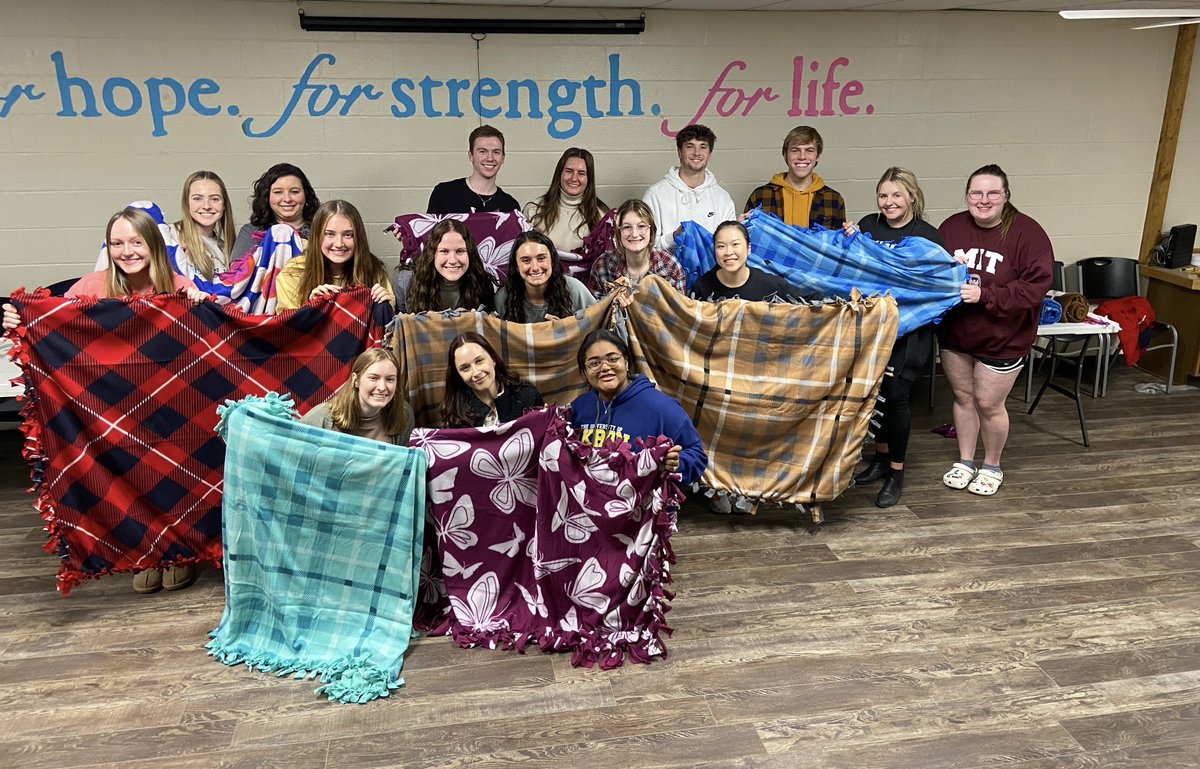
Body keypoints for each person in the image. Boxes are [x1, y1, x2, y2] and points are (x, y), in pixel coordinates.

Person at [3, 207, 208, 594]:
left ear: (154, 245)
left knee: (175, 480)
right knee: (131, 480)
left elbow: (205, 338)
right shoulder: (91, 287)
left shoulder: (179, 286)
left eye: (136, 242)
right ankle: (147, 554)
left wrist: (199, 305)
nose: (127, 251)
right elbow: (49, 319)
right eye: (117, 243)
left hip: (169, 409)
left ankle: (180, 554)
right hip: (113, 409)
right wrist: (19, 317)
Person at [937, 164, 1053, 496]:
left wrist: (985, 295)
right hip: (957, 335)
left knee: (988, 404)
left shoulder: (1028, 233)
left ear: (1006, 196)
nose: (983, 200)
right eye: (976, 192)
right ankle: (965, 461)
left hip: (1003, 337)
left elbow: (1034, 289)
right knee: (963, 398)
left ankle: (991, 465)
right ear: (967, 195)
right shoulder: (951, 227)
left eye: (992, 193)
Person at [844, 168, 947, 508]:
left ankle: (896, 473)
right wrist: (848, 240)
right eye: (883, 195)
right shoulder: (868, 226)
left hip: (909, 333)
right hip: (873, 330)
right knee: (876, 397)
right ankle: (879, 459)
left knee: (898, 399)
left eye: (896, 195)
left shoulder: (927, 236)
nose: (889, 202)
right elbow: (853, 268)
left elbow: (937, 283)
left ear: (912, 197)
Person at [570, 330, 707, 487]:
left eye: (612, 359)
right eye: (594, 363)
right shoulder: (578, 407)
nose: (605, 367)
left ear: (626, 362)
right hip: (587, 500)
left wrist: (677, 463)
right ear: (585, 372)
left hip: (641, 501)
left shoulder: (661, 408)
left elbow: (697, 456)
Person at [274, 200, 394, 311]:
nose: (339, 244)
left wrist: (386, 306)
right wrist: (312, 309)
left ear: (358, 237)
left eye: (348, 235)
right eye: (329, 234)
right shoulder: (294, 272)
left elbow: (388, 322)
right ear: (316, 236)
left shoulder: (371, 267)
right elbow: (288, 325)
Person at [642, 124, 736, 253]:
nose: (697, 153)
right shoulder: (655, 194)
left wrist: (739, 228)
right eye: (690, 146)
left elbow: (729, 244)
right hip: (667, 266)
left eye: (703, 147)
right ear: (679, 152)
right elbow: (644, 243)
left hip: (712, 266)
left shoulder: (722, 198)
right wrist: (674, 237)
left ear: (710, 154)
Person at [300, 348, 414, 445]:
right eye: (373, 378)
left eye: (390, 379)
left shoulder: (404, 414)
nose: (382, 387)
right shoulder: (321, 417)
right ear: (356, 380)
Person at [743, 125, 845, 229]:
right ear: (785, 154)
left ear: (817, 156)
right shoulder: (760, 196)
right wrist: (738, 227)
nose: (802, 157)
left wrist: (850, 233)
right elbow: (746, 237)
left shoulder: (833, 199)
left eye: (809, 150)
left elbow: (839, 239)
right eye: (795, 150)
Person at [586, 199, 686, 301]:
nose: (634, 234)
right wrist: (614, 304)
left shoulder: (671, 266)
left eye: (641, 226)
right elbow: (593, 309)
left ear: (651, 231)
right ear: (618, 232)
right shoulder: (602, 265)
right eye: (627, 227)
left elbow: (681, 310)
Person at [440, 332, 543, 428]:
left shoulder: (527, 395)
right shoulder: (455, 412)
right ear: (458, 375)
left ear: (493, 359)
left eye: (479, 361)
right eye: (465, 368)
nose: (476, 373)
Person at [395, 219, 496, 314]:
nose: (453, 260)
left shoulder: (483, 286)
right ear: (432, 253)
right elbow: (398, 324)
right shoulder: (406, 281)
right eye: (444, 251)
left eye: (460, 251)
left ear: (470, 253)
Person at [689, 220, 804, 302]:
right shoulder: (701, 287)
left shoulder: (771, 285)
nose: (728, 252)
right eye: (721, 246)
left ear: (748, 248)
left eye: (735, 244)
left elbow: (809, 302)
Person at [496, 231, 596, 323]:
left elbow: (598, 325)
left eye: (541, 258)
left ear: (552, 260)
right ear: (516, 266)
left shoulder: (575, 289)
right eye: (526, 260)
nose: (535, 268)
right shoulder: (503, 298)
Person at [523, 148, 609, 253]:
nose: (574, 178)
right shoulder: (534, 210)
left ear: (589, 178)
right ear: (559, 174)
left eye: (581, 173)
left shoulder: (602, 216)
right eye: (569, 171)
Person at [230, 163, 320, 258]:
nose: (287, 199)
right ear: (267, 196)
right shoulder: (251, 232)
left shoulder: (322, 230)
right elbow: (238, 266)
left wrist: (314, 250)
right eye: (278, 192)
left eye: (294, 192)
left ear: (305, 194)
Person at [427, 125, 520, 214]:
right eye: (482, 152)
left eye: (496, 152)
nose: (490, 158)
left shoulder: (511, 206)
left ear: (503, 158)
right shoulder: (444, 193)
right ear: (471, 155)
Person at [171, 171, 237, 281]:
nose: (206, 206)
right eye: (197, 198)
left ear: (224, 204)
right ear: (187, 203)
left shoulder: (226, 249)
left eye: (214, 199)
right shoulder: (170, 236)